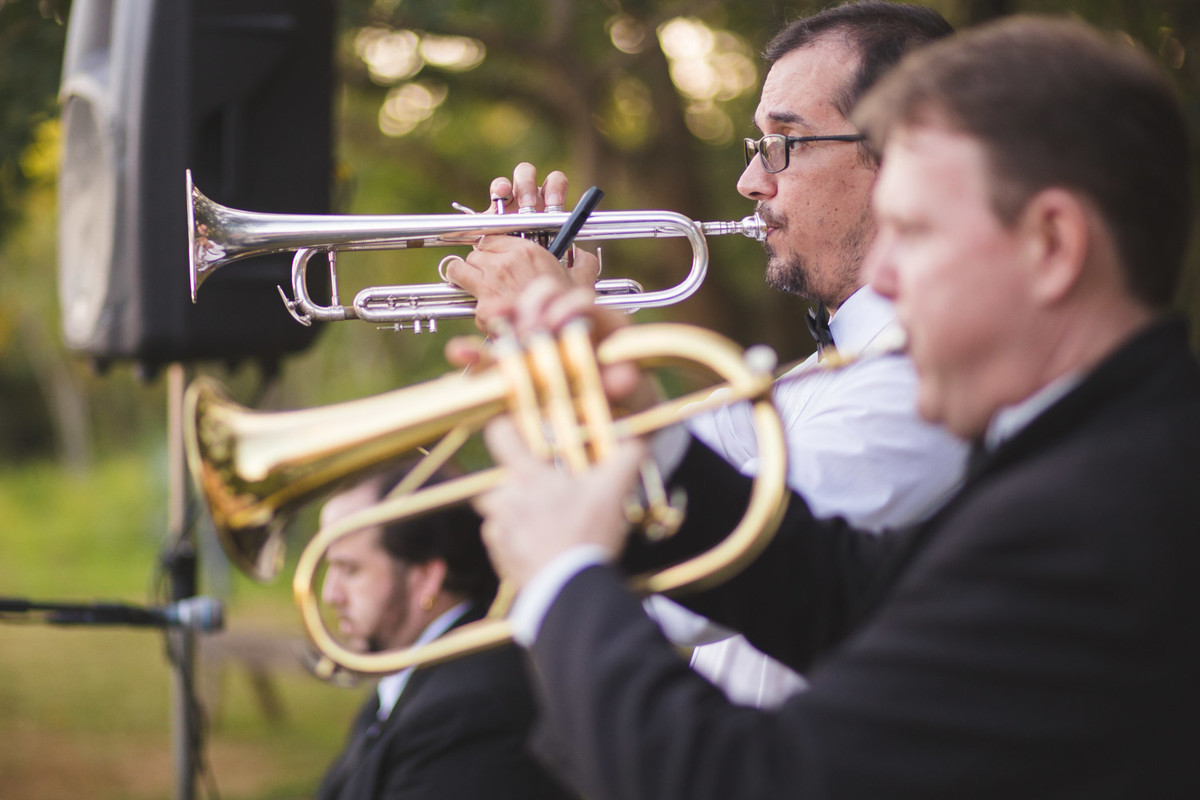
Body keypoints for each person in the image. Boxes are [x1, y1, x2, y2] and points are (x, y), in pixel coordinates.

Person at [473, 14, 1200, 799]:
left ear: (1053, 245)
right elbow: (847, 594)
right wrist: (648, 438)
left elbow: (749, 780)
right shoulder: (1094, 452)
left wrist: (563, 582)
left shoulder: (1100, 513)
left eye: (915, 231)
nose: (882, 280)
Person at [448, 0, 967, 708]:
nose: (751, 183)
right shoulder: (816, 374)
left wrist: (554, 334)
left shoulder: (926, 382)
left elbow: (684, 587)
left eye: (786, 143)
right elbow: (634, 505)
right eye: (758, 145)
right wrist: (561, 337)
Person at [314, 467, 575, 800]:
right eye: (330, 567)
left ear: (425, 577)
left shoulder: (466, 709)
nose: (330, 594)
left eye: (350, 570)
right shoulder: (416, 677)